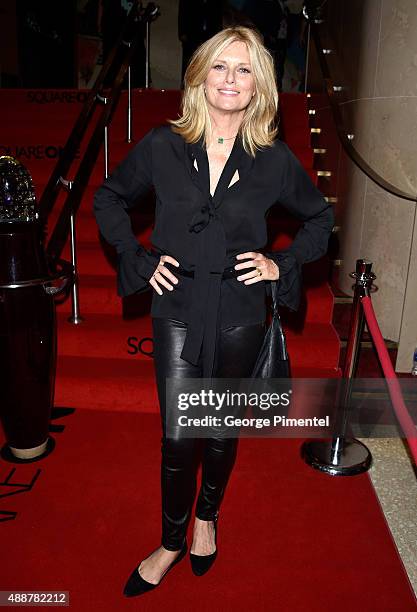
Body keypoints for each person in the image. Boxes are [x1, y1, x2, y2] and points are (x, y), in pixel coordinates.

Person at [93, 25, 334, 597]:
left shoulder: (271, 159)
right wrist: (137, 255)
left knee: (221, 429)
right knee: (180, 435)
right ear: (200, 77)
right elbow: (109, 197)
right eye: (220, 67)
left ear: (259, 87)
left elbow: (319, 218)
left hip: (240, 307)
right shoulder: (162, 145)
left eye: (244, 69)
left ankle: (206, 518)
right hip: (177, 304)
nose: (231, 79)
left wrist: (282, 264)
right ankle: (172, 540)